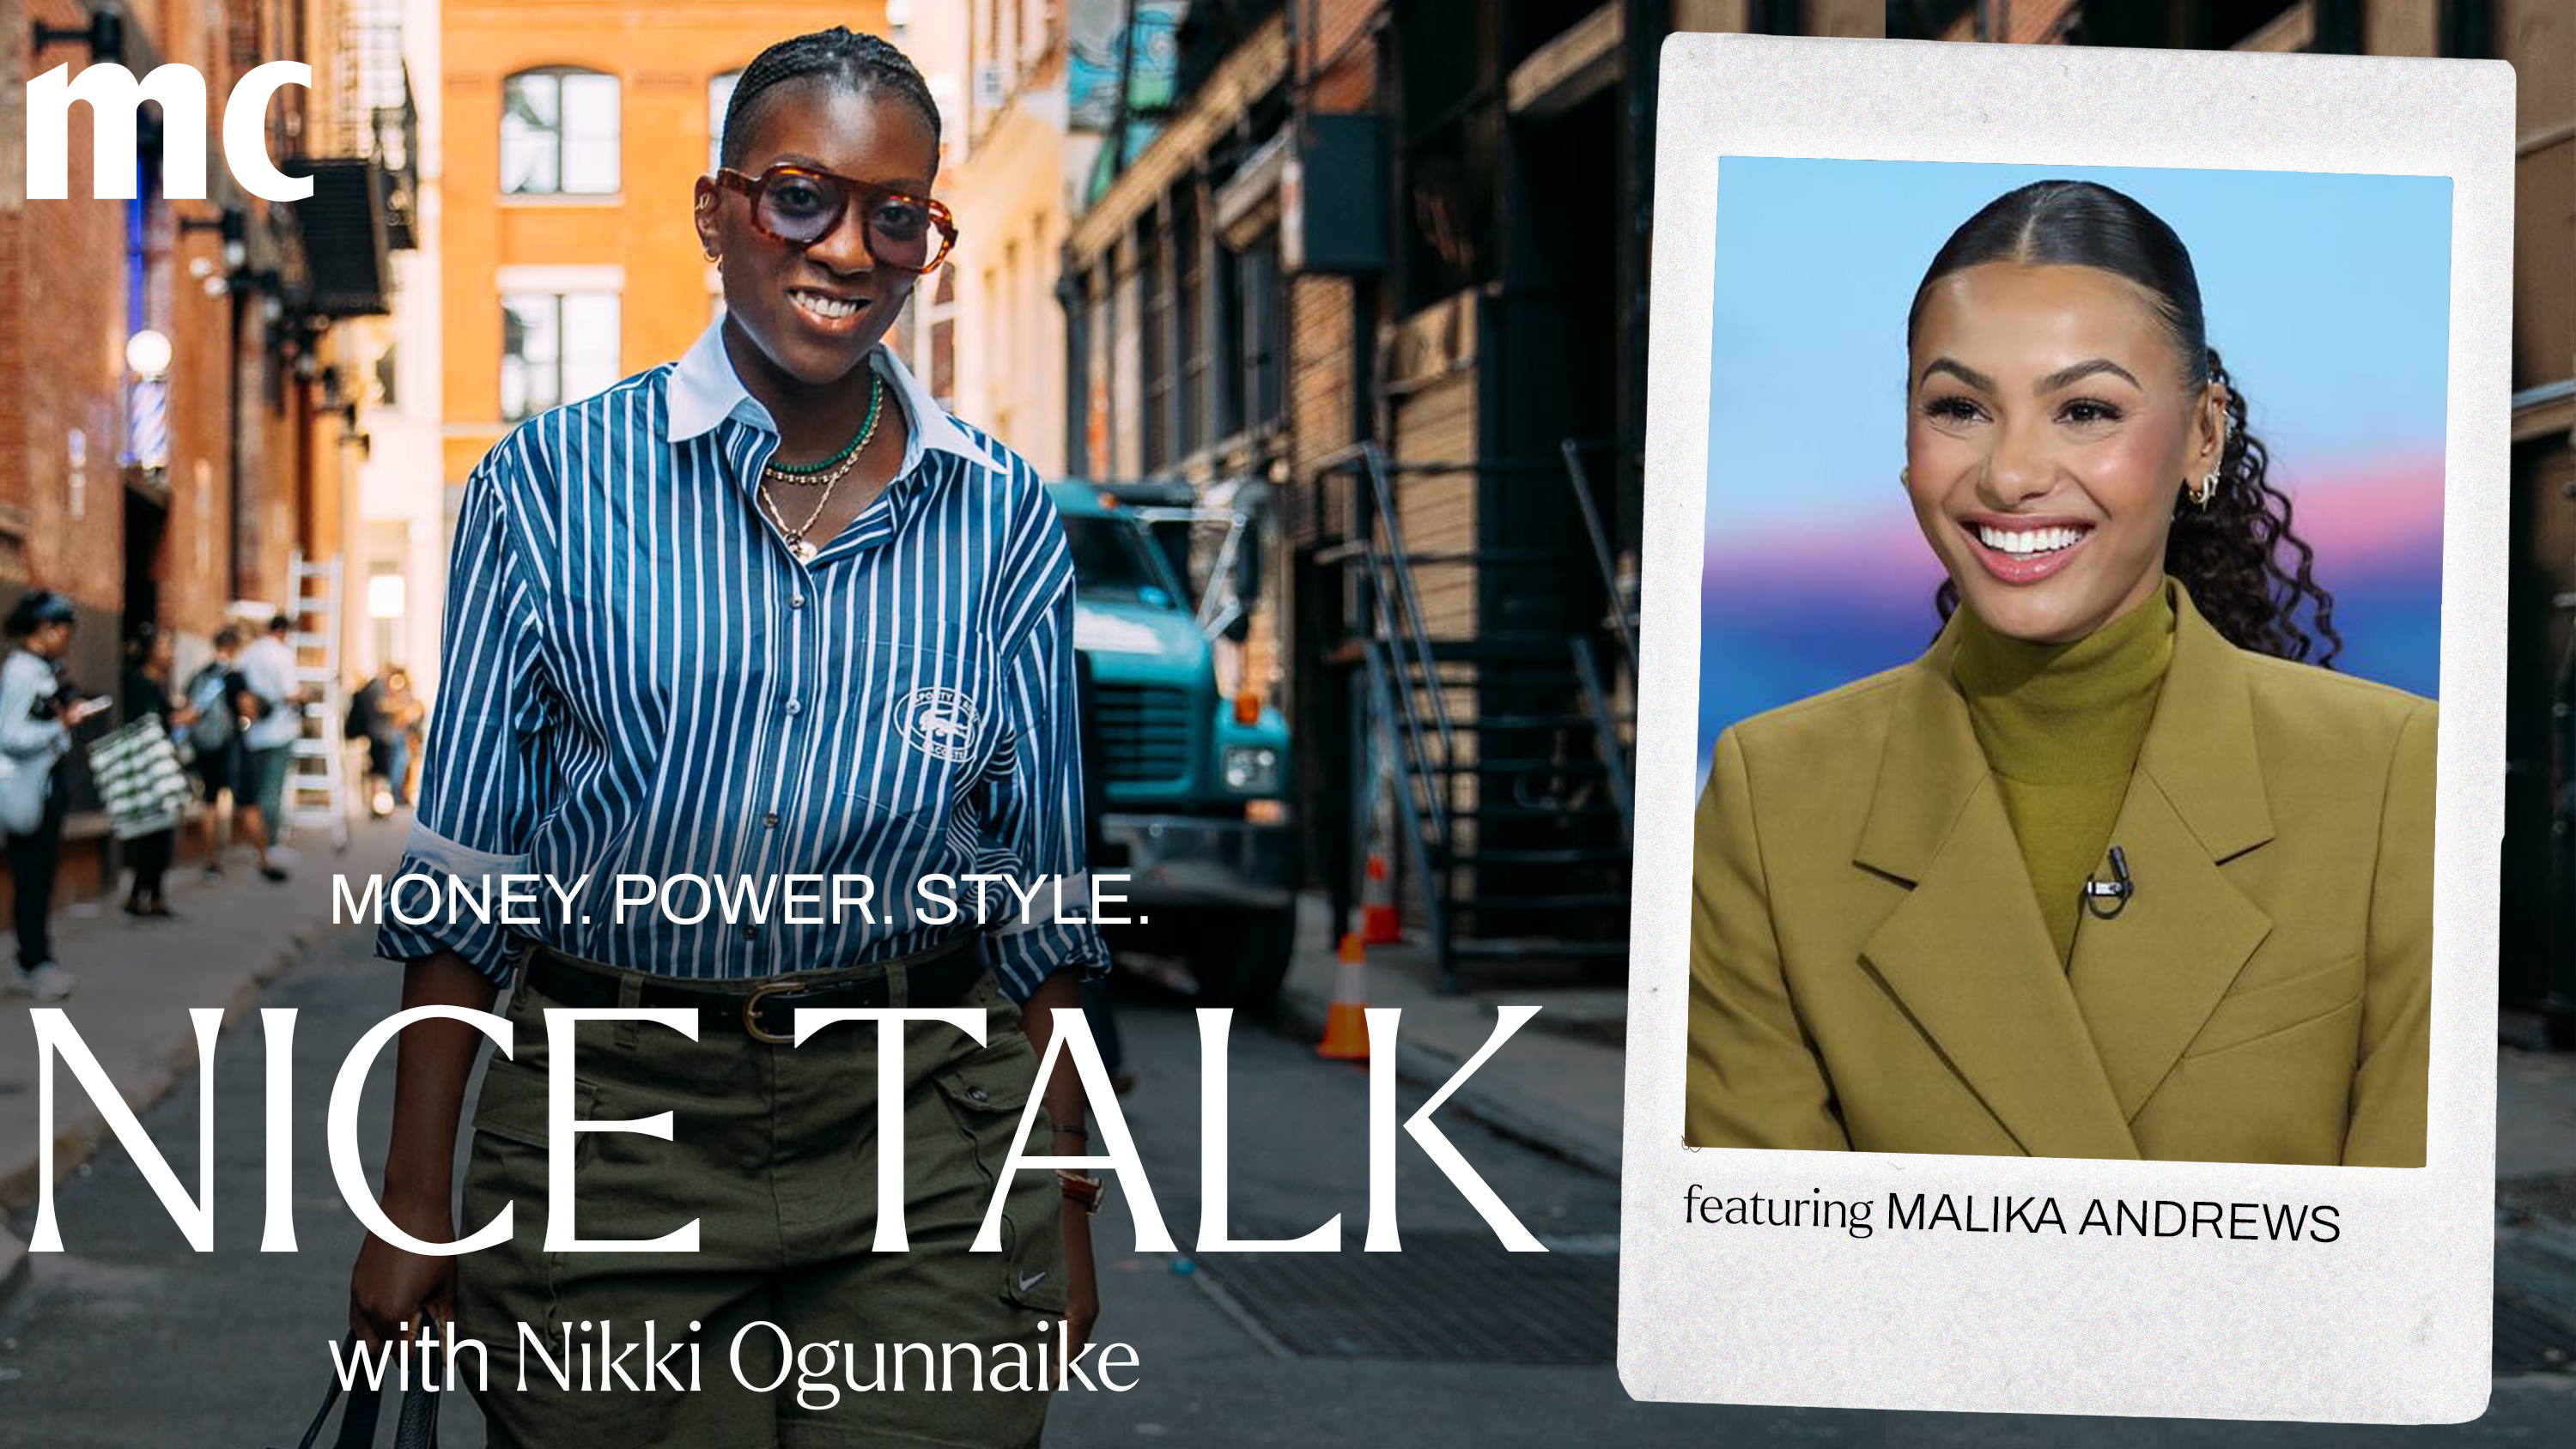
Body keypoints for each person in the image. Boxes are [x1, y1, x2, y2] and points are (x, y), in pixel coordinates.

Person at [349, 27, 1107, 1447]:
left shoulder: (1003, 516)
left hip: (927, 1131)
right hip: (611, 1126)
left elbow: (1042, 904)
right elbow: (465, 881)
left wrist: (1067, 1199)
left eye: (899, 215)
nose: (848, 247)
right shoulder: (547, 486)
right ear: (717, 212)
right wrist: (414, 1197)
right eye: (799, 196)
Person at [1685, 180, 2433, 1167]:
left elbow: (2401, 1275)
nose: (2010, 473)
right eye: (1959, 407)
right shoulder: (1768, 794)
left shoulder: (2395, 776)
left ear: (2202, 435)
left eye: (2084, 409)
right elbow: (1765, 1258)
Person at [1, 591, 110, 999]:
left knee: (39, 878)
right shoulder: (22, 672)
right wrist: (59, 728)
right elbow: (9, 734)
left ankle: (34, 958)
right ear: (45, 629)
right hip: (29, 790)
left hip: (44, 786)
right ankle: (34, 961)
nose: (68, 639)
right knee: (32, 878)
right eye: (64, 630)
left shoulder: (40, 670)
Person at [117, 622, 198, 918]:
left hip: (162, 765)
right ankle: (143, 896)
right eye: (164, 647)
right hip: (146, 767)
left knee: (159, 833)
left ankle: (150, 895)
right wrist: (179, 719)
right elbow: (146, 725)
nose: (171, 653)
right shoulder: (139, 683)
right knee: (151, 832)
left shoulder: (157, 685)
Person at [234, 611, 303, 865]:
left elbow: (240, 684)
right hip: (279, 730)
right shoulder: (282, 655)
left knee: (257, 789)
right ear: (285, 631)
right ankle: (270, 845)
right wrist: (306, 695)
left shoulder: (250, 652)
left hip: (254, 732)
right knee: (272, 791)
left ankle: (256, 844)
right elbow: (289, 693)